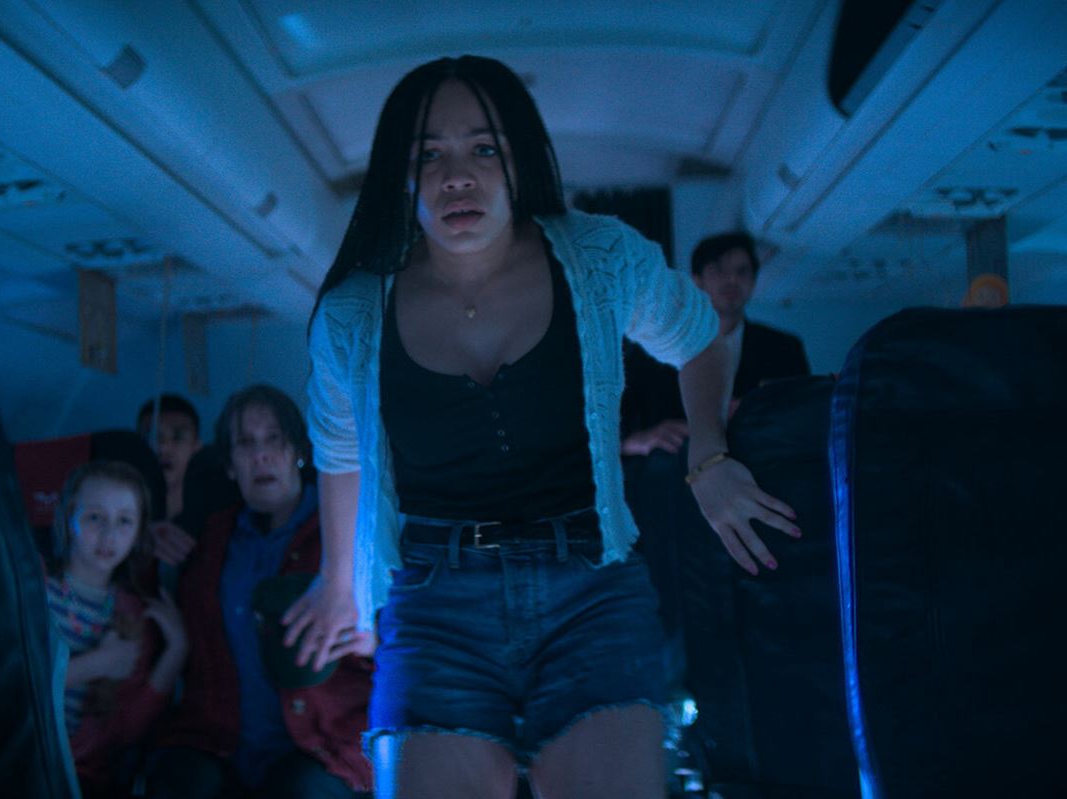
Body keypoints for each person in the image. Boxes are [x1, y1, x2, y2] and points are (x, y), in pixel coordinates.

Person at [286, 55, 802, 798]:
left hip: (591, 590)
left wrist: (709, 456)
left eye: (482, 148)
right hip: (435, 604)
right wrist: (339, 582)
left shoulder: (597, 258)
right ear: (400, 175)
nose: (456, 177)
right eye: (429, 155)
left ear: (519, 159)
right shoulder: (352, 315)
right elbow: (340, 449)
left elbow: (698, 339)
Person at [147, 385, 374, 799]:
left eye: (274, 439)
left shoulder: (345, 537)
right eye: (246, 444)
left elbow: (404, 634)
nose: (261, 455)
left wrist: (370, 640)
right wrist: (146, 545)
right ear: (230, 465)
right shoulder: (209, 539)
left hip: (324, 743)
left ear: (298, 451)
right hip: (218, 738)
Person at [45, 461, 188, 798]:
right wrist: (97, 664)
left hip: (79, 775)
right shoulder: (32, 590)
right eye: (95, 518)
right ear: (68, 517)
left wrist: (177, 650)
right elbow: (6, 686)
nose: (109, 535)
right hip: (15, 756)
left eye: (124, 521)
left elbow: (127, 728)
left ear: (138, 533)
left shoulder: (131, 615)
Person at [621, 231, 811, 456]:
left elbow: (805, 421)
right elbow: (611, 428)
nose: (732, 280)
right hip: (673, 468)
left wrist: (757, 413)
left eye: (742, 271)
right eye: (718, 270)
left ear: (753, 281)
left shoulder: (783, 349)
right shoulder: (653, 350)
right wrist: (637, 441)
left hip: (760, 465)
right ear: (697, 281)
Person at [138, 394, 204, 570]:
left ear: (196, 446)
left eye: (178, 437)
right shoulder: (119, 516)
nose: (163, 448)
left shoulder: (213, 523)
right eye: (152, 436)